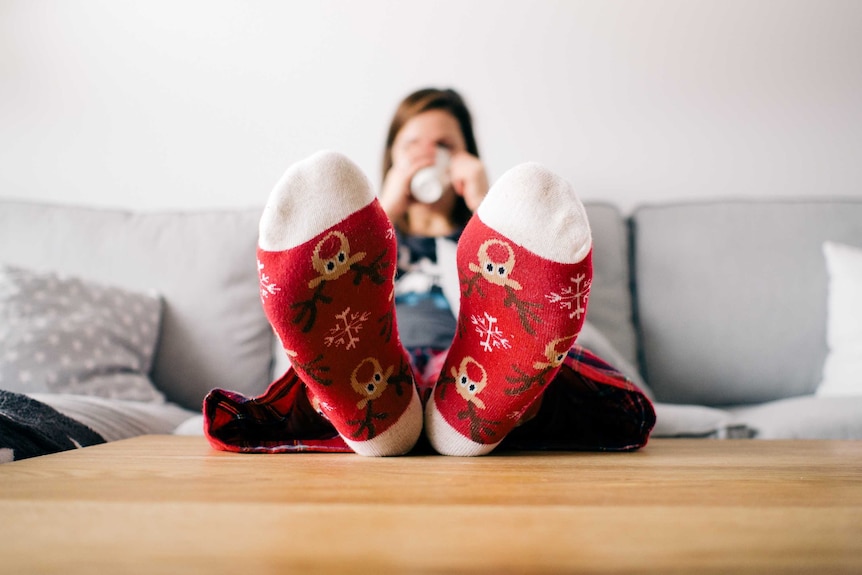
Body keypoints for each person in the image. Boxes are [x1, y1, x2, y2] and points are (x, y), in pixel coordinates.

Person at [202, 88, 655, 457]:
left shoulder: (498, 242)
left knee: (530, 367)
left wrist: (485, 205)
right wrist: (386, 210)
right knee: (333, 370)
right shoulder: (362, 240)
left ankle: (453, 414)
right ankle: (392, 413)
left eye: (445, 147)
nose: (429, 157)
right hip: (373, 361)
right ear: (391, 162)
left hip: (476, 361)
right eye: (413, 148)